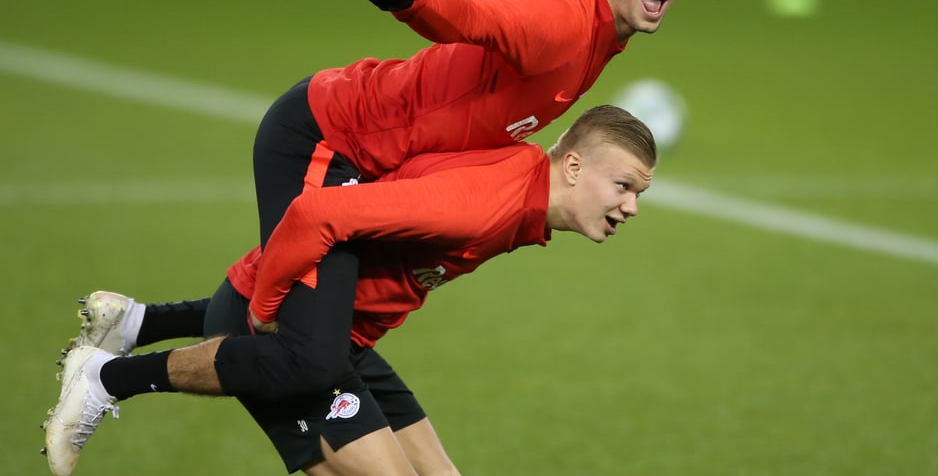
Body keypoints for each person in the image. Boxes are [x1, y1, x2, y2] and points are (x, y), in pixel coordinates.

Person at [45, 105, 658, 476]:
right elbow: (319, 215)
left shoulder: (520, 191)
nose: (631, 207)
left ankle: (136, 326)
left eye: (640, 194)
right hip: (295, 336)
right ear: (573, 167)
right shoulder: (483, 205)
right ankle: (105, 378)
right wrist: (263, 307)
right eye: (624, 187)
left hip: (347, 339)